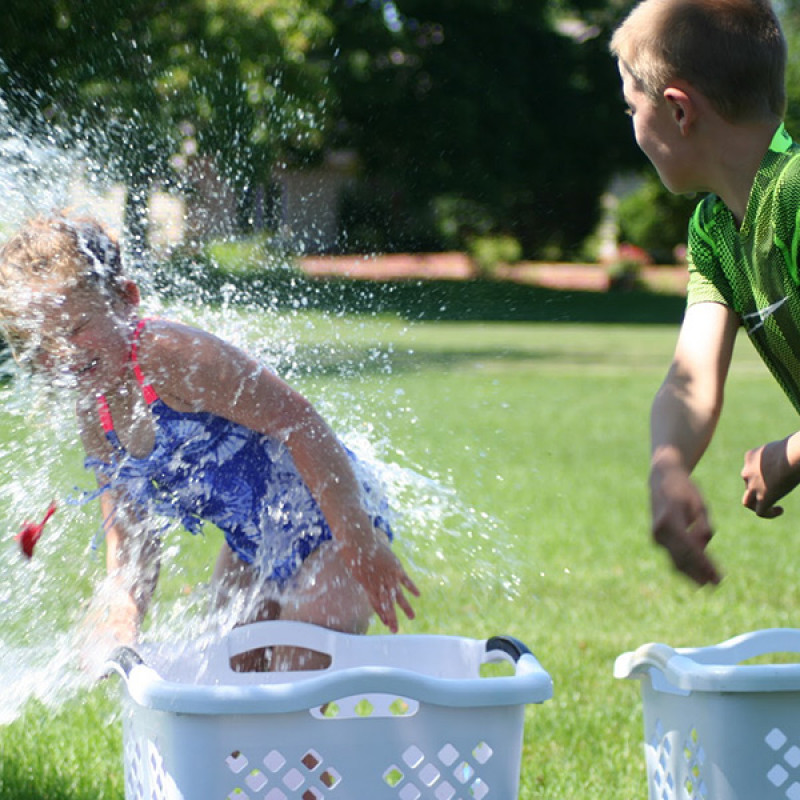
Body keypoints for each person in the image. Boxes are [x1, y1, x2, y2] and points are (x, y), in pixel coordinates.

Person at [0, 215, 419, 669]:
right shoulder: (93, 410)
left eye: (75, 327)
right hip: (252, 545)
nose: (61, 352)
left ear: (125, 301)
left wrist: (357, 538)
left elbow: (301, 423)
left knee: (297, 690)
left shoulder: (167, 355)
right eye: (38, 344)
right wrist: (120, 614)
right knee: (232, 685)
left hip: (331, 528)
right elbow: (130, 531)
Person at [610, 0, 800, 585]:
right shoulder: (715, 229)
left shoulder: (794, 196)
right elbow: (690, 378)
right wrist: (668, 467)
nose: (632, 125)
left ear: (677, 110)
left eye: (630, 106)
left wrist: (788, 457)